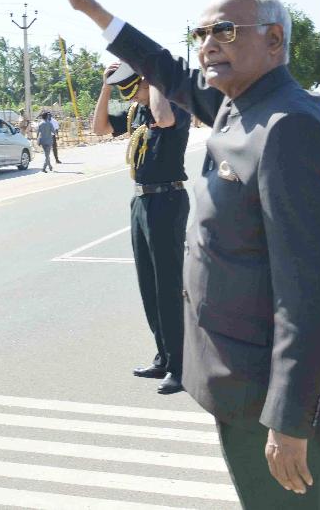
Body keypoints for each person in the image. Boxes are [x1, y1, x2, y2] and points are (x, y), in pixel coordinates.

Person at [54, 0, 320, 507]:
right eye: (202, 33)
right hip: (242, 383)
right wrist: (93, 11)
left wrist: (290, 419)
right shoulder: (241, 103)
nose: (208, 44)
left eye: (225, 31)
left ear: (274, 40)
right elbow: (166, 70)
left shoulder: (287, 124)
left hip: (274, 398)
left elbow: (309, 290)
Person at [92, 61, 192, 396]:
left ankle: (181, 367)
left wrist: (155, 76)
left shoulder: (174, 106)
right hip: (141, 201)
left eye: (135, 88)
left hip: (167, 200)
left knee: (168, 287)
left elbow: (163, 120)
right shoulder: (137, 112)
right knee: (149, 286)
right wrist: (106, 87)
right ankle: (163, 357)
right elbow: (99, 128)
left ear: (148, 82)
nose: (131, 96)